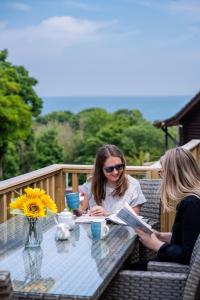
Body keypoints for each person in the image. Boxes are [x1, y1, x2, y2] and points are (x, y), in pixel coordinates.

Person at [136, 147, 200, 265]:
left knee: (117, 272)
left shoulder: (192, 204)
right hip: (171, 267)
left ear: (173, 174)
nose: (162, 177)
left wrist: (156, 244)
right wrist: (160, 235)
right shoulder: (191, 200)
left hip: (173, 271)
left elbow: (188, 256)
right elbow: (187, 238)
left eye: (162, 172)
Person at [79, 144, 146, 217]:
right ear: (100, 169)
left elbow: (134, 218)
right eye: (109, 169)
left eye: (119, 167)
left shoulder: (133, 185)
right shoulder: (92, 184)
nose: (115, 172)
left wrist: (107, 214)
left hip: (124, 228)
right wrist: (86, 213)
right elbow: (83, 212)